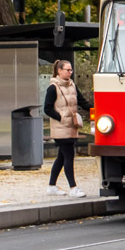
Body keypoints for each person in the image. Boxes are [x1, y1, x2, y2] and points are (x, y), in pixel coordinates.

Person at [43, 60, 91, 198]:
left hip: (71, 126)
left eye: (71, 70)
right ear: (59, 71)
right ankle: (73, 187)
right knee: (69, 156)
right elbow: (47, 108)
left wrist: (97, 108)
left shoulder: (72, 85)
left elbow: (82, 102)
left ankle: (51, 186)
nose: (70, 72)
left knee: (61, 157)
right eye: (67, 70)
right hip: (61, 128)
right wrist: (61, 117)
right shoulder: (53, 88)